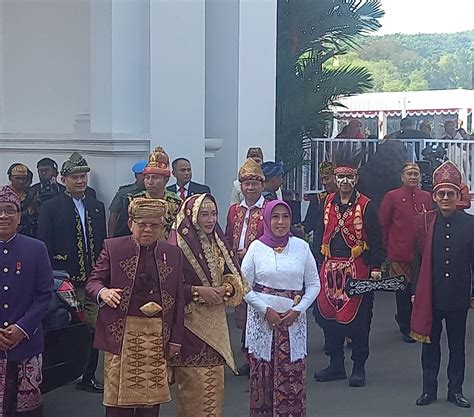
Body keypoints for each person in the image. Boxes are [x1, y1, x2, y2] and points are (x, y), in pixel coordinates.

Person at [85, 198, 185, 417]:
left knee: (150, 405)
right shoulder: (113, 247)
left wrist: (176, 339)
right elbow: (93, 282)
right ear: (131, 224)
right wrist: (104, 292)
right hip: (121, 336)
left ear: (162, 226)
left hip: (157, 336)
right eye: (142, 224)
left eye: (154, 225)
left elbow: (178, 299)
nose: (148, 229)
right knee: (117, 405)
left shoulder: (173, 253)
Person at [314, 144, 385, 387]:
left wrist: (376, 266)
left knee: (359, 320)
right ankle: (335, 364)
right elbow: (319, 233)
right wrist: (316, 264)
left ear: (356, 179)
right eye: (341, 176)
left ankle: (358, 366)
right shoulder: (326, 202)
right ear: (335, 178)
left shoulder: (366, 205)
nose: (345, 181)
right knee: (328, 317)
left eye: (349, 177)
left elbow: (376, 239)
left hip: (358, 269)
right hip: (330, 268)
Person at [168, 193, 244, 417]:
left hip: (217, 324)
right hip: (189, 325)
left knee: (214, 382)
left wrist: (226, 289)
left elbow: (234, 275)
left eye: (213, 214)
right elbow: (168, 287)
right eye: (204, 215)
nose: (210, 220)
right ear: (192, 216)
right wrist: (197, 291)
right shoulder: (176, 246)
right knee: (193, 383)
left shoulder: (218, 243)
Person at [242, 200, 320, 416]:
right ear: (267, 219)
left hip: (292, 322)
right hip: (264, 322)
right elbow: (243, 286)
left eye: (285, 216)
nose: (280, 221)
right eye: (275, 216)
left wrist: (298, 310)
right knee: (263, 377)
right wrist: (265, 310)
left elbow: (314, 284)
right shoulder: (256, 248)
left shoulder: (301, 247)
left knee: (292, 379)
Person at [37, 152, 107, 393]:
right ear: (64, 179)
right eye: (75, 177)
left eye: (83, 176)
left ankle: (88, 376)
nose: (80, 181)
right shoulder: (51, 207)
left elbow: (103, 243)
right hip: (64, 279)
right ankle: (67, 371)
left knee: (95, 327)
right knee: (70, 327)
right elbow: (43, 243)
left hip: (93, 278)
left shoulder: (96, 206)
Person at [411, 161, 474, 409]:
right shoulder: (424, 223)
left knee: (457, 347)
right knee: (429, 345)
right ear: (435, 197)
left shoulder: (471, 224)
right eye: (441, 194)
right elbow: (417, 259)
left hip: (458, 296)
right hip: (431, 294)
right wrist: (415, 291)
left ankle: (455, 390)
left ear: (458, 196)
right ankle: (428, 390)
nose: (446, 197)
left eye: (451, 193)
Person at [0, 185, 53, 417]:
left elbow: (44, 295)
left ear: (19, 215)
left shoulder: (35, 249)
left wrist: (21, 328)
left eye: (10, 210)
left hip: (26, 344)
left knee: (25, 411)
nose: (4, 216)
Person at [379, 163, 432, 343]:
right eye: (409, 174)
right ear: (402, 177)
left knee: (420, 289)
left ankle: (418, 323)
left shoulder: (426, 196)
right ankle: (405, 325)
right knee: (402, 290)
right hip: (399, 251)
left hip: (422, 253)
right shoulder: (392, 196)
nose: (413, 177)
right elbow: (383, 224)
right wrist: (386, 248)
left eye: (416, 174)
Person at [225, 158, 267, 375]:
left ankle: (257, 358)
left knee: (258, 312)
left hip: (260, 270)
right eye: (246, 184)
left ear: (262, 185)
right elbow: (226, 235)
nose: (250, 188)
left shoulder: (268, 209)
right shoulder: (234, 210)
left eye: (254, 183)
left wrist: (251, 252)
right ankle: (249, 356)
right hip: (237, 268)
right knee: (244, 313)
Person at [114, 147, 181, 240]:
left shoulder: (177, 203)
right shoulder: (133, 201)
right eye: (147, 177)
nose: (150, 181)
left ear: (166, 180)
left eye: (155, 178)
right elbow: (121, 234)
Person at [302, 161, 337, 262]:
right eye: (322, 179)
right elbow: (309, 224)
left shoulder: (347, 198)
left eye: (327, 178)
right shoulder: (318, 199)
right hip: (321, 249)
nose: (324, 182)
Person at [108, 160, 147, 237]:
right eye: (143, 174)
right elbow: (114, 215)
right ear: (136, 176)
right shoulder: (125, 192)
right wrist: (110, 237)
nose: (145, 178)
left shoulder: (154, 192)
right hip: (125, 233)